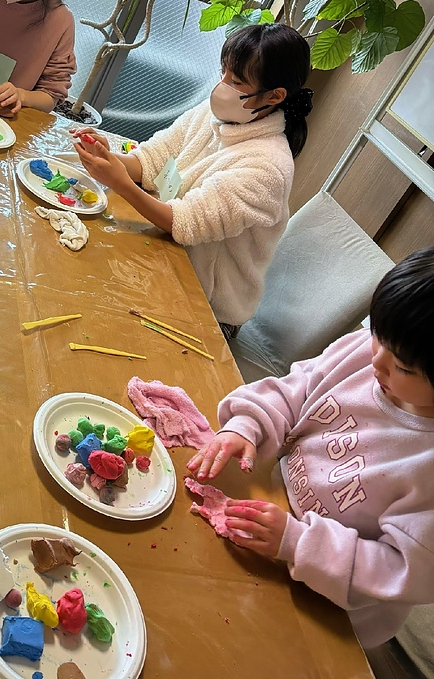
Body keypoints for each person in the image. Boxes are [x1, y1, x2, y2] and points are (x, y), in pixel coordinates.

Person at [186, 248, 434, 651]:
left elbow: (398, 572)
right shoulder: (367, 353)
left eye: (403, 367)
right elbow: (296, 388)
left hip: (329, 603)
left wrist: (299, 543)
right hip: (269, 504)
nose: (376, 362)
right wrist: (247, 424)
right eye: (378, 336)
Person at [73, 22, 314, 336]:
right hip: (164, 256)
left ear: (274, 96)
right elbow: (154, 159)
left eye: (236, 80)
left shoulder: (267, 168)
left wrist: (119, 182)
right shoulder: (216, 112)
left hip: (206, 308)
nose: (222, 85)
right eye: (223, 71)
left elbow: (184, 223)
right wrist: (109, 158)